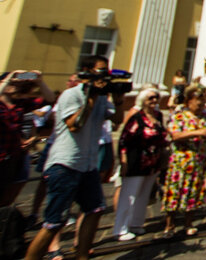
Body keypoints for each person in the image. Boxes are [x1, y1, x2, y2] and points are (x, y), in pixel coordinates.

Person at [25, 56, 124, 260]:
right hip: (65, 164)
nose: (104, 76)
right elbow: (75, 125)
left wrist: (119, 99)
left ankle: (81, 255)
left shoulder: (102, 99)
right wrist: (90, 98)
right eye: (101, 71)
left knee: (95, 209)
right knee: (54, 223)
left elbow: (116, 120)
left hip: (87, 165)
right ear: (86, 72)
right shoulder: (72, 95)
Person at [113, 87, 168, 240]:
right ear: (142, 100)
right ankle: (121, 228)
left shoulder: (158, 116)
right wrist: (123, 161)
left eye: (156, 97)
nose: (154, 101)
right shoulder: (137, 117)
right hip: (136, 161)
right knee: (129, 195)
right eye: (150, 98)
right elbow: (124, 139)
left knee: (144, 195)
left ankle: (136, 224)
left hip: (153, 162)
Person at [161, 84, 206, 237]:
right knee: (175, 191)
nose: (201, 104)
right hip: (181, 160)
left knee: (193, 191)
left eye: (203, 101)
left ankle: (188, 223)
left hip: (198, 160)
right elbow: (175, 135)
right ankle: (169, 226)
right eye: (198, 100)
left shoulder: (204, 116)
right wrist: (197, 132)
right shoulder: (180, 116)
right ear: (189, 100)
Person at [0, 70, 55, 207]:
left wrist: (39, 81)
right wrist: (9, 78)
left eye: (15, 81)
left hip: (13, 155)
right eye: (11, 82)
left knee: (6, 196)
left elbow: (50, 99)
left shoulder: (20, 104)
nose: (14, 83)